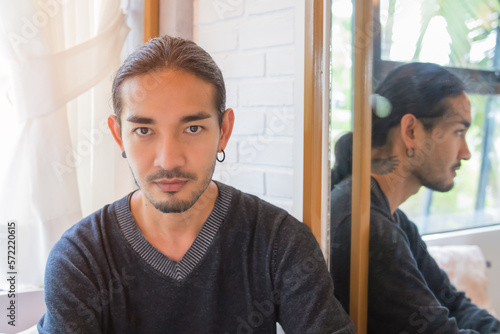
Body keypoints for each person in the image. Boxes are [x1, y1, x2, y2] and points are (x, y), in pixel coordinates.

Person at [37, 35, 354, 333]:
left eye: (192, 128)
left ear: (224, 131)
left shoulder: (279, 243)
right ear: (119, 135)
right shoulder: (80, 259)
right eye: (144, 131)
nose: (168, 160)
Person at [330, 62, 500, 333]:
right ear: (411, 132)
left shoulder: (393, 219)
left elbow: (452, 304)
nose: (466, 152)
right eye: (458, 131)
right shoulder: (366, 227)